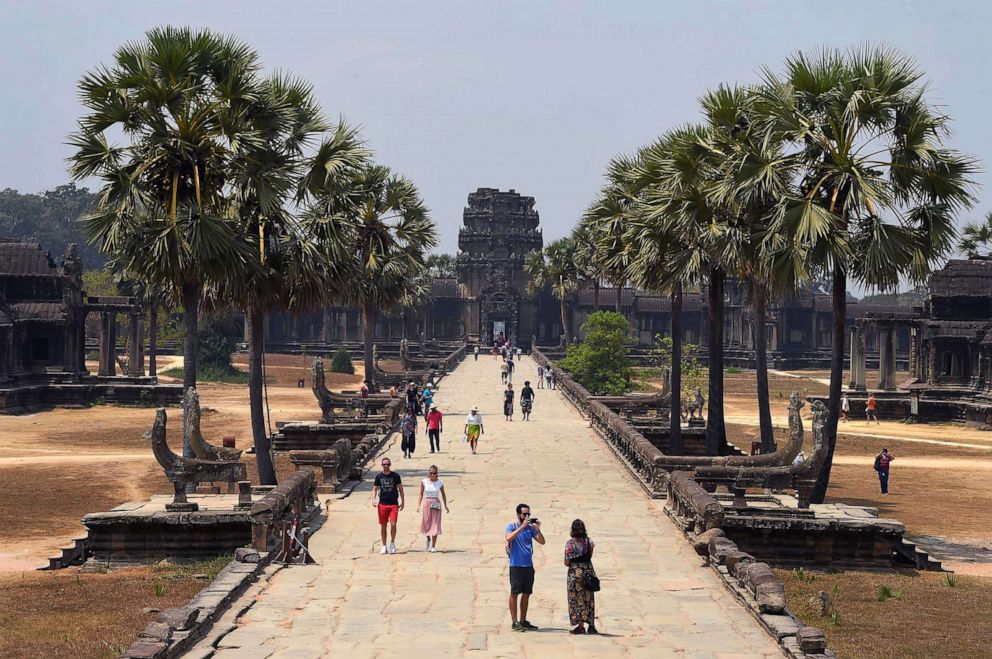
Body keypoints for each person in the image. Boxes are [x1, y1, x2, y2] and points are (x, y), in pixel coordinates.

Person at [505, 503, 545, 632]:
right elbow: (508, 537)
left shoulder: (530, 528)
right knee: (514, 593)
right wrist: (521, 527)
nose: (527, 516)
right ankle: (514, 622)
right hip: (516, 565)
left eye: (528, 514)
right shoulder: (512, 526)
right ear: (518, 515)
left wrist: (538, 529)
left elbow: (542, 541)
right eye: (524, 514)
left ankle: (523, 620)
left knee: (527, 593)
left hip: (528, 566)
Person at [564, 519, 597, 635]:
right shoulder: (589, 542)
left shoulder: (570, 544)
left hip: (575, 573)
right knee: (589, 599)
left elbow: (566, 562)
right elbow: (590, 556)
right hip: (588, 572)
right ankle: (591, 625)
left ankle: (580, 626)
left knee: (576, 599)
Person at [371, 458, 404, 554]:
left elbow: (400, 489)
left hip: (393, 504)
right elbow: (374, 489)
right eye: (384, 464)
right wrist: (373, 500)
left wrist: (403, 501)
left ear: (390, 465)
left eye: (387, 464)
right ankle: (384, 545)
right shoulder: (379, 477)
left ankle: (392, 543)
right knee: (383, 525)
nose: (386, 466)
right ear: (382, 465)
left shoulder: (395, 476)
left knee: (393, 524)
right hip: (382, 504)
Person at [417, 465, 449, 552]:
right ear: (429, 473)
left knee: (435, 523)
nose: (433, 475)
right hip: (427, 502)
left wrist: (446, 506)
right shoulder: (424, 482)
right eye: (431, 473)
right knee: (426, 522)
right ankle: (428, 538)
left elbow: (443, 494)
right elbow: (421, 493)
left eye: (434, 473)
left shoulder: (440, 483)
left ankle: (433, 546)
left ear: (437, 474)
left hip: (436, 502)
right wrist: (418, 505)